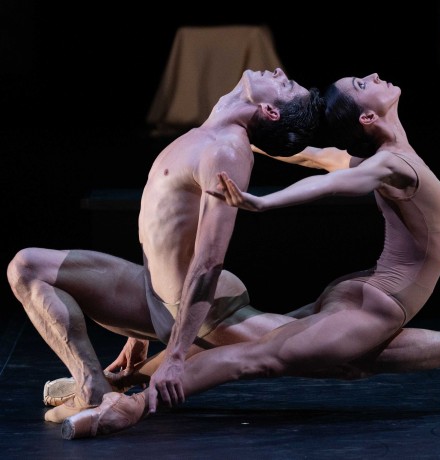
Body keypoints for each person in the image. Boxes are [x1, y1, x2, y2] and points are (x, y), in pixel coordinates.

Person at [57, 72, 440, 440]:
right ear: (368, 118)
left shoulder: (388, 163)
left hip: (366, 296)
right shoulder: (384, 161)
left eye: (361, 80)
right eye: (362, 84)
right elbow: (317, 162)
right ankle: (129, 401)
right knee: (261, 355)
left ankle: (127, 398)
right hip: (372, 300)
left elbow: (332, 177)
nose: (373, 77)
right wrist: (244, 132)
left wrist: (264, 196)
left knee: (273, 355)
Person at [6, 68, 323, 424]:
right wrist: (136, 336)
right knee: (28, 267)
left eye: (285, 84)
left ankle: (382, 309)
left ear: (270, 111)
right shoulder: (205, 134)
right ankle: (92, 385)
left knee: (337, 347)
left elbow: (209, 260)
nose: (279, 72)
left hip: (205, 312)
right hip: (153, 294)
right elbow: (163, 226)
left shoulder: (226, 150)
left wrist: (175, 355)